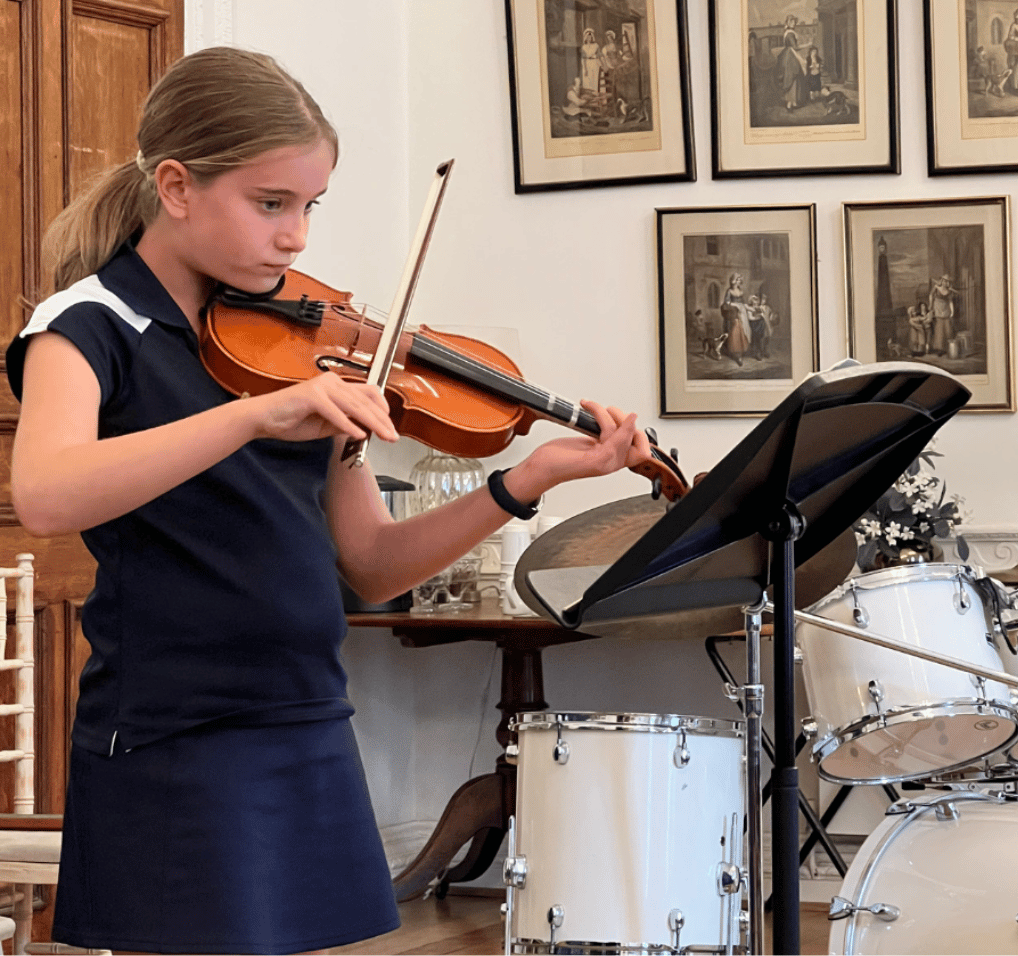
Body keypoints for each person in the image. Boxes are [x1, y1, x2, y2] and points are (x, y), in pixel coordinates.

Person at [7, 46, 654, 955]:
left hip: (305, 713)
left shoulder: (303, 350)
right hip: (178, 731)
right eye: (271, 204)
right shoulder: (88, 325)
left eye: (309, 206)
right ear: (177, 186)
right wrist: (253, 417)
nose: (296, 236)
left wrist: (526, 480)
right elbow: (43, 492)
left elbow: (375, 562)